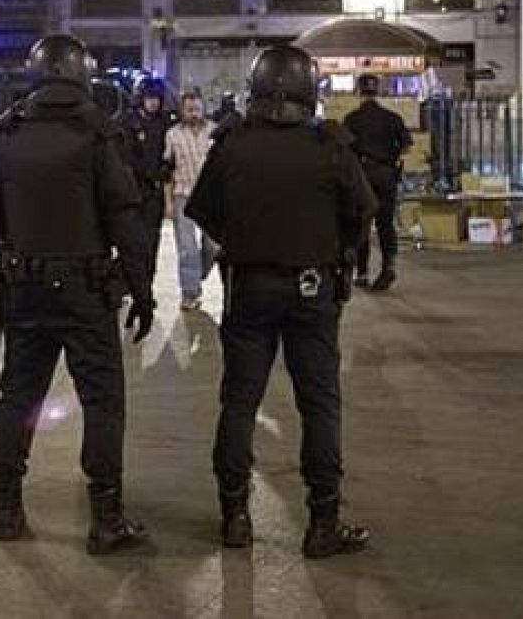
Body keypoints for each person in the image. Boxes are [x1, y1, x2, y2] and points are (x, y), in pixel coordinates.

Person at [185, 44, 376, 559]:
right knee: (319, 405)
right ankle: (322, 522)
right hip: (312, 291)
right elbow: (362, 213)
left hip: (249, 288)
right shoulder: (330, 145)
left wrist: (244, 241)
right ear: (308, 91)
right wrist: (336, 250)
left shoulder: (232, 144)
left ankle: (234, 517)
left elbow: (202, 210)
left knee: (240, 401)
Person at [0, 34, 158, 556]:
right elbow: (125, 219)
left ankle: (6, 509)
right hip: (85, 289)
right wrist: (142, 292)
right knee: (102, 402)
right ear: (81, 74)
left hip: (25, 289)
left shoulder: (5, 134)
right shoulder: (98, 133)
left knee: (17, 398)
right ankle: (106, 518)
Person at [341, 74, 413, 292]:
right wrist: (390, 156)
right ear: (378, 92)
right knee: (385, 223)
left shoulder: (352, 119)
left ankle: (361, 273)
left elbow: (345, 150)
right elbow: (407, 146)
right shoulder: (392, 118)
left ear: (358, 92)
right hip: (386, 175)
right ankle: (388, 265)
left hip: (363, 177)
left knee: (361, 224)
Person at [121, 77, 173, 328]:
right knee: (133, 248)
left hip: (153, 195)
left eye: (157, 99)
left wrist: (165, 169)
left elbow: (169, 152)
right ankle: (132, 289)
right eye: (149, 98)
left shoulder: (164, 123)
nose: (153, 103)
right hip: (133, 194)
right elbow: (126, 159)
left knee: (150, 247)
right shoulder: (128, 123)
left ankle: (146, 291)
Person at [165, 91, 219, 311]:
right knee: (187, 248)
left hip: (210, 197)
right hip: (182, 195)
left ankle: (199, 273)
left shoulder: (215, 132)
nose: (194, 113)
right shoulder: (172, 135)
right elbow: (166, 170)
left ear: (204, 108)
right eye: (189, 109)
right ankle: (190, 292)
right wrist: (167, 202)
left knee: (213, 246)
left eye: (197, 108)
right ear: (182, 111)